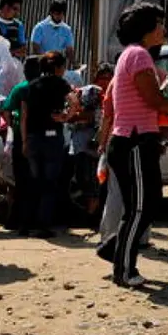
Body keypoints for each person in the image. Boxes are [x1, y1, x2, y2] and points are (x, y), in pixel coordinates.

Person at [95, 2, 168, 288]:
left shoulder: (133, 55)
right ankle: (123, 270)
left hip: (134, 140)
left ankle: (114, 247)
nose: (163, 28)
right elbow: (154, 101)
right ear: (146, 28)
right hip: (134, 141)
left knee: (145, 205)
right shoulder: (138, 56)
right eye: (159, 23)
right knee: (139, 208)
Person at [22, 51, 74, 238]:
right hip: (52, 138)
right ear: (59, 67)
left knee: (33, 181)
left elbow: (24, 116)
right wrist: (66, 117)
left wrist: (25, 140)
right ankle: (43, 224)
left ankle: (26, 223)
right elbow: (74, 101)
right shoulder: (61, 84)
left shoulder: (33, 85)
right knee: (49, 182)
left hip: (34, 138)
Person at [1, 55, 41, 234]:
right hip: (39, 140)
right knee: (35, 182)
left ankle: (16, 220)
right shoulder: (43, 87)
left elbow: (6, 110)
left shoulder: (20, 88)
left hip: (20, 139)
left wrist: (10, 128)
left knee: (19, 181)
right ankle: (29, 220)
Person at [68, 63, 113, 219]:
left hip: (105, 143)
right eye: (102, 78)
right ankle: (90, 210)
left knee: (99, 179)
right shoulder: (90, 93)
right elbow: (76, 115)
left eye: (108, 78)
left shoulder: (116, 95)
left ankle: (94, 212)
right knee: (85, 176)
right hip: (86, 145)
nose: (105, 81)